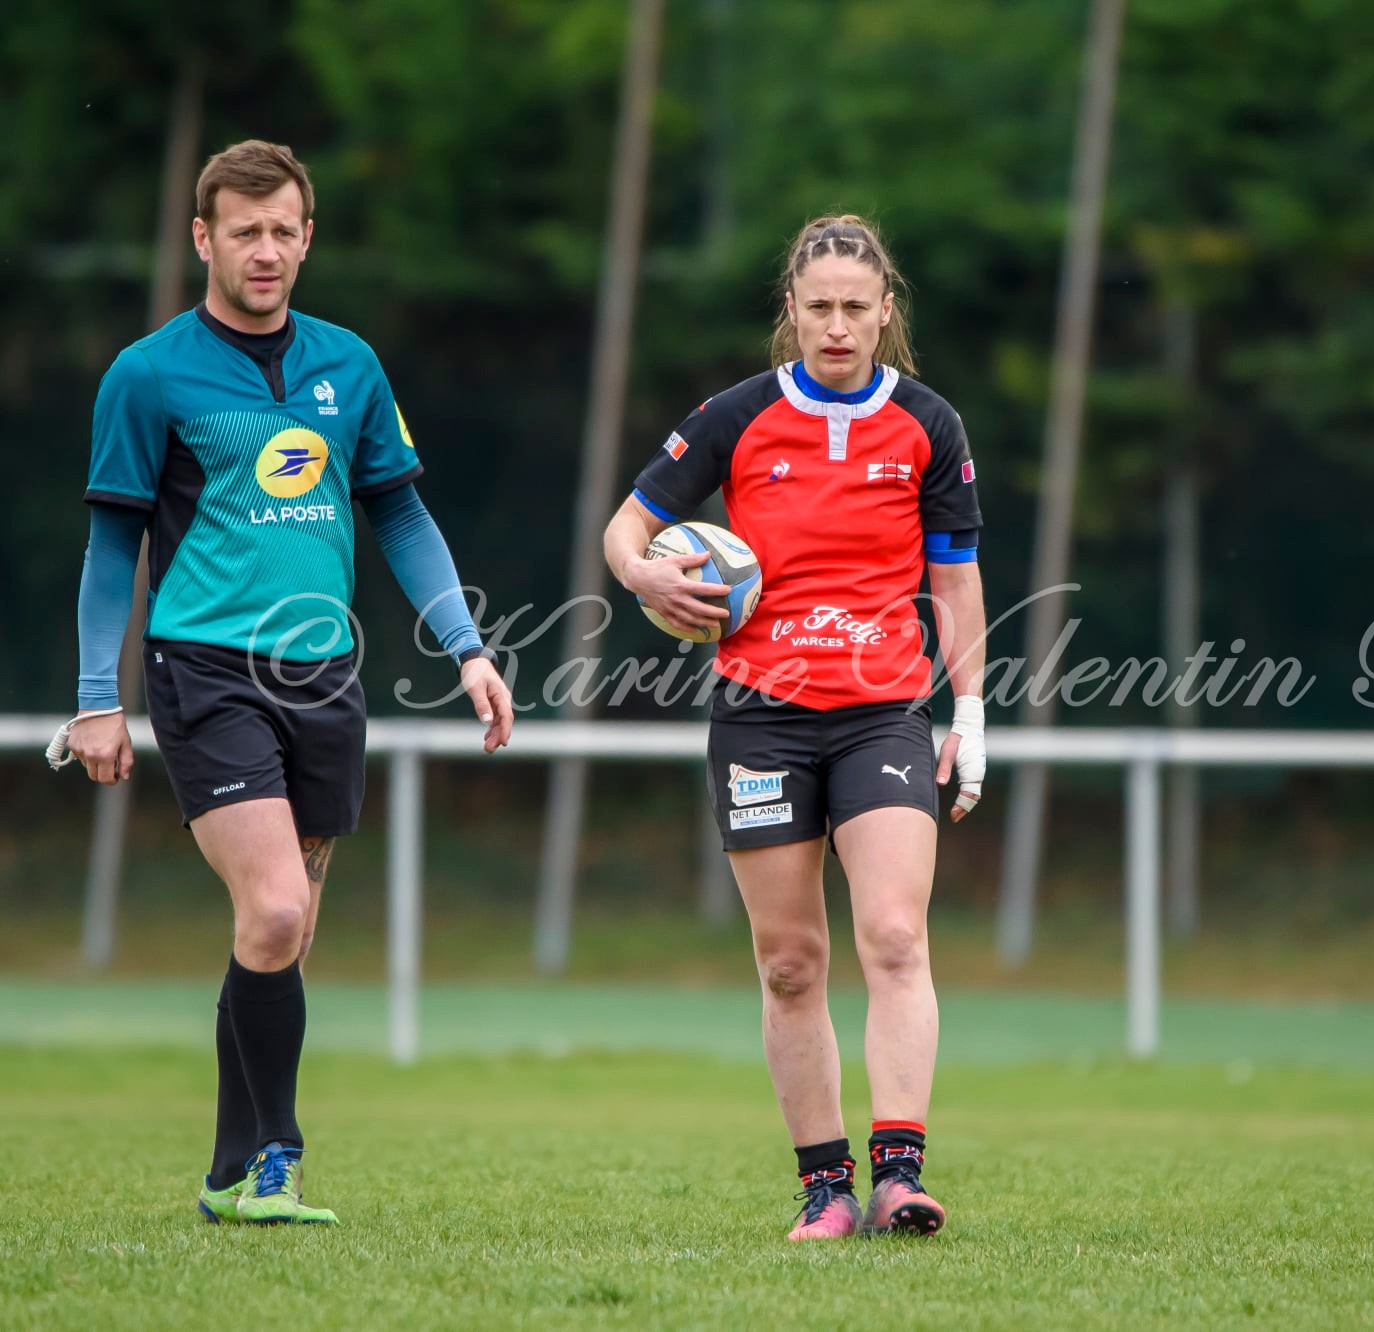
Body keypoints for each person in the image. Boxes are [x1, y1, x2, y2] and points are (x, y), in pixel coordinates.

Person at [52, 140, 513, 1225]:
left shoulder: (349, 364)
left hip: (324, 677)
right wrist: (95, 695)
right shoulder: (148, 374)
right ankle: (277, 1160)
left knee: (283, 935)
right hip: (204, 667)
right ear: (203, 239)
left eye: (282, 231)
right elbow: (113, 548)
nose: (264, 250)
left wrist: (468, 647)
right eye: (243, 231)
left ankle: (226, 1172)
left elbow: (399, 513)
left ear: (308, 238)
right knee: (271, 908)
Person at [603, 215, 987, 1241]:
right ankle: (826, 1190)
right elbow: (627, 525)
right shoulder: (735, 416)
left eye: (855, 307)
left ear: (885, 311)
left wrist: (971, 712)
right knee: (788, 962)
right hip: (760, 719)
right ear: (791, 310)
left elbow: (954, 579)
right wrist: (641, 575)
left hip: (883, 713)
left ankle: (899, 1175)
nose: (837, 326)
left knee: (894, 935)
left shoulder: (928, 424)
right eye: (818, 307)